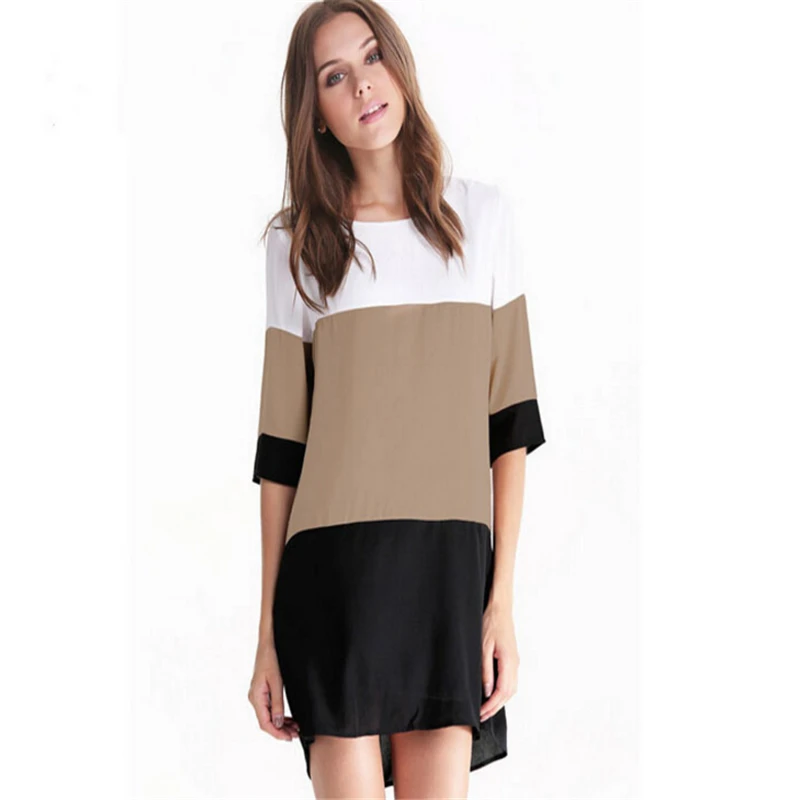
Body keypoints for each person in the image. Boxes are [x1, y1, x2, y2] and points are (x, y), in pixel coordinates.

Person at [247, 1, 546, 796]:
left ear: (399, 65)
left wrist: (500, 603)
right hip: (333, 575)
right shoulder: (297, 245)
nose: (361, 86)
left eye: (372, 57)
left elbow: (510, 425)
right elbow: (282, 453)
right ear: (315, 112)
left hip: (448, 572)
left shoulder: (481, 219)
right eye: (334, 76)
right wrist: (266, 635)